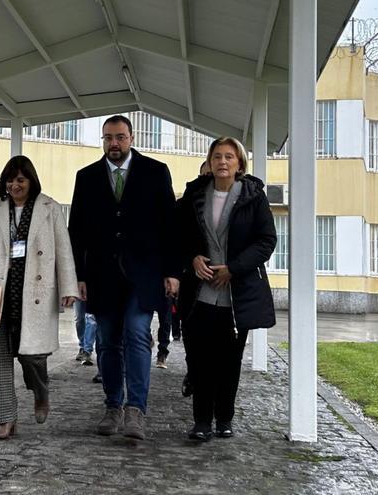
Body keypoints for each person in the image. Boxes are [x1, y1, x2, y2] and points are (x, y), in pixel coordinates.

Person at [68, 115, 180, 440]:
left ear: (131, 137)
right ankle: (112, 405)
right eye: (107, 138)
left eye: (119, 137)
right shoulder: (86, 177)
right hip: (101, 276)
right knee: (106, 341)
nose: (113, 144)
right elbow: (76, 231)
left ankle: (136, 410)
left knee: (136, 332)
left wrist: (173, 272)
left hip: (144, 275)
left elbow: (170, 227)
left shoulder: (156, 172)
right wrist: (78, 275)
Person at [176, 136, 277, 442]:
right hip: (199, 294)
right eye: (217, 156)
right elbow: (176, 236)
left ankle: (224, 418)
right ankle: (201, 421)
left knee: (228, 361)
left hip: (236, 295)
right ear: (209, 161)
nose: (222, 161)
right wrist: (191, 257)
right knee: (199, 360)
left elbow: (266, 241)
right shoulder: (195, 194)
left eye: (229, 157)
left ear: (239, 164)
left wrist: (234, 268)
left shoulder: (253, 197)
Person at [0, 156, 78, 439]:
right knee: (0, 355)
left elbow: (63, 250)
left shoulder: (50, 208)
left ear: (31, 180)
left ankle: (40, 391)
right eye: (10, 179)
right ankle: (6, 418)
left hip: (35, 292)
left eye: (20, 179)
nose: (14, 185)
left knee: (32, 355)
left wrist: (68, 288)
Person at [73, 300, 96, 366]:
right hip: (78, 292)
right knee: (79, 319)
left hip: (93, 291)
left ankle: (87, 350)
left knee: (91, 318)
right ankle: (82, 346)